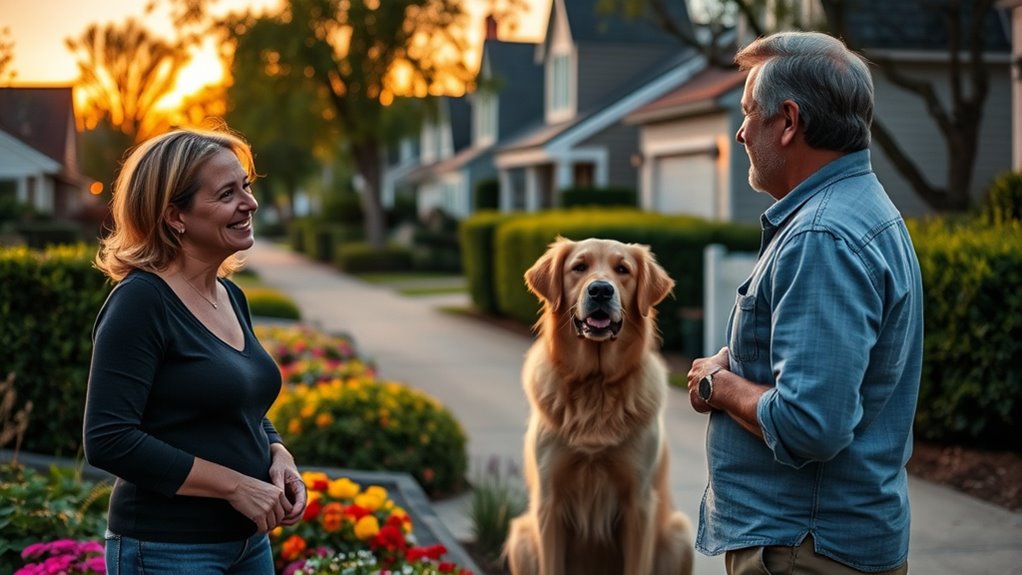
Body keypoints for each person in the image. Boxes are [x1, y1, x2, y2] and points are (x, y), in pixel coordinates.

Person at [686, 31, 923, 575]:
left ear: (789, 121)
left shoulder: (822, 236)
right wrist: (740, 362)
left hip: (802, 550)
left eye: (749, 113)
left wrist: (716, 385)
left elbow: (810, 423)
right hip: (822, 543)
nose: (741, 132)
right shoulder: (862, 210)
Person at [84, 127, 306, 574]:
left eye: (245, 186)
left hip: (248, 543)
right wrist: (235, 487)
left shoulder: (230, 295)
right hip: (167, 549)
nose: (249, 203)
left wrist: (278, 453)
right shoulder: (141, 301)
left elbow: (240, 402)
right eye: (227, 194)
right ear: (175, 216)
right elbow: (108, 439)